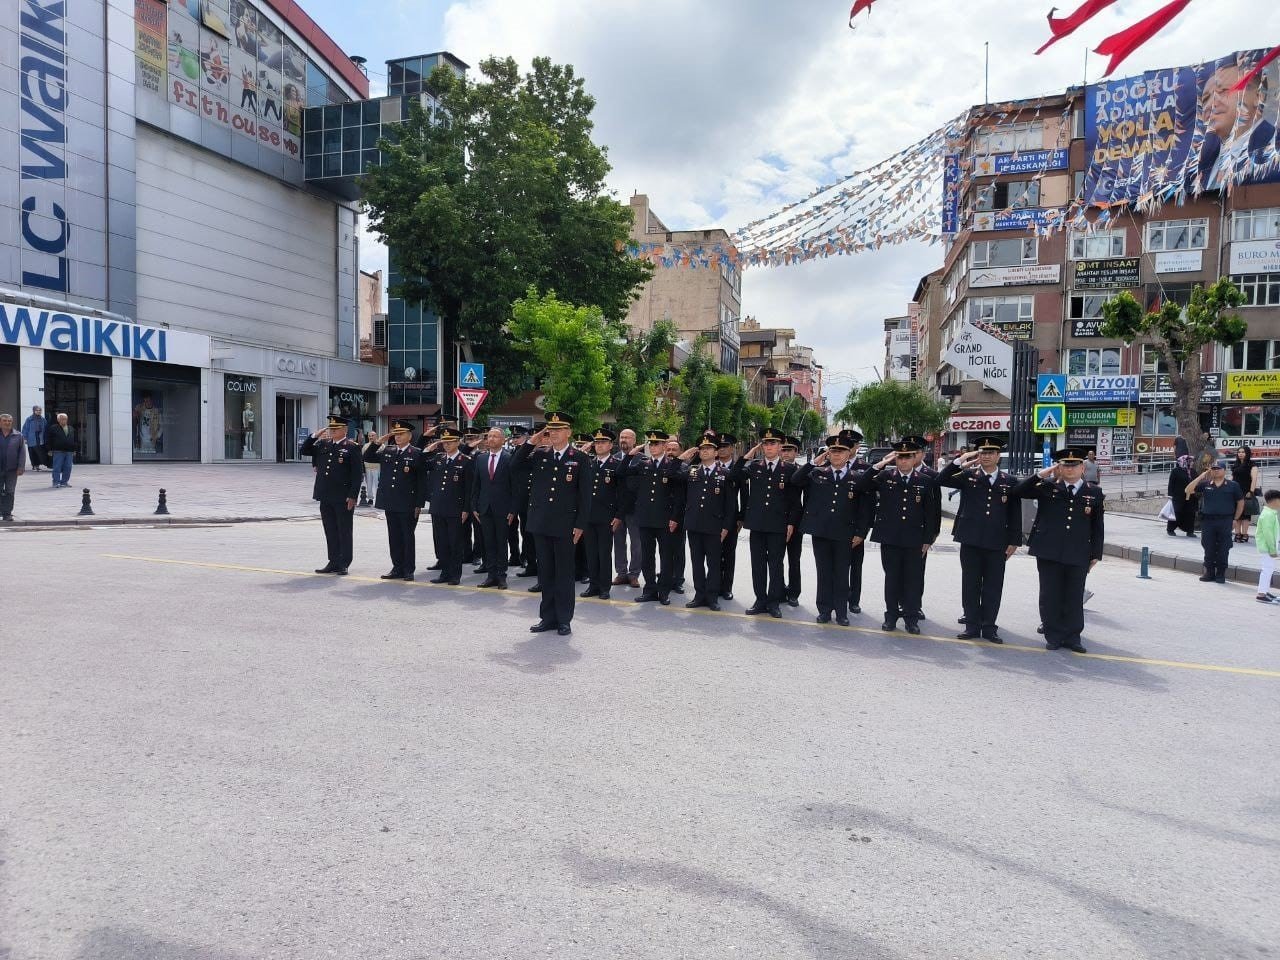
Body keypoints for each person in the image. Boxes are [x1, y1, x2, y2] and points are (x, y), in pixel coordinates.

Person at [1014, 448, 1104, 653]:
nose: (1070, 469)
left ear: (1083, 467)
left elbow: (1098, 526)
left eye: (1074, 465)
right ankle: (1053, 635)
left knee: (1073, 595)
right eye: (1065, 465)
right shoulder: (1047, 487)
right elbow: (1018, 491)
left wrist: (1095, 554)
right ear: (1059, 468)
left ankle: (1073, 636)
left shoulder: (1094, 492)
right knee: (1050, 593)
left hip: (1079, 551)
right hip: (1049, 549)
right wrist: (1041, 474)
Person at [511, 413, 590, 636]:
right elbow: (515, 465)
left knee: (564, 574)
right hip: (540, 523)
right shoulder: (540, 455)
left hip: (565, 525)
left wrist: (580, 524)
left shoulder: (580, 458)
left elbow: (585, 497)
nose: (553, 433)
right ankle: (547, 617)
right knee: (545, 573)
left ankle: (564, 619)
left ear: (568, 432)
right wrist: (532, 441)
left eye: (558, 429)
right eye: (550, 430)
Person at [938, 438, 1023, 643]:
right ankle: (972, 626)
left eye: (990, 452)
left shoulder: (1008, 481)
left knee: (993, 586)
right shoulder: (968, 476)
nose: (985, 456)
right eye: (982, 452)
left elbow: (1014, 513)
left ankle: (989, 626)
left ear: (998, 456)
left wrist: (1014, 541)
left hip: (997, 541)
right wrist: (960, 460)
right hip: (971, 538)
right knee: (971, 583)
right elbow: (942, 479)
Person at [856, 438, 941, 635]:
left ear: (915, 458)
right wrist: (880, 464)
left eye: (907, 457)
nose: (902, 461)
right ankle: (891, 617)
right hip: (890, 538)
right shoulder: (885, 476)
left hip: (914, 539)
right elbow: (861, 485)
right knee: (892, 579)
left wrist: (928, 539)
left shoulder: (925, 481)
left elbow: (930, 513)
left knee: (912, 579)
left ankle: (911, 619)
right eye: (899, 457)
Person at [791, 430, 872, 625]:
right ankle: (825, 610)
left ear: (848, 454)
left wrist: (861, 533)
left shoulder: (857, 477)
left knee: (842, 574)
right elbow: (796, 480)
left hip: (845, 533)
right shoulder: (818, 473)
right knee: (824, 572)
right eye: (833, 451)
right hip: (822, 532)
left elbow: (865, 509)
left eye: (841, 451)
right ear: (828, 453)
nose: (836, 454)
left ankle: (841, 612)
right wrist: (814, 461)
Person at [731, 427, 801, 619]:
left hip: (778, 525)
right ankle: (760, 600)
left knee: (776, 565)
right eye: (766, 444)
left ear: (780, 446)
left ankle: (773, 601)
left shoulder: (789, 469)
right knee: (758, 564)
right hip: (758, 524)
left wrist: (791, 523)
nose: (769, 447)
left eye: (773, 443)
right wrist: (749, 453)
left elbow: (795, 501)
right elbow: (734, 475)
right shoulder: (754, 467)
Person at [674, 432, 735, 611]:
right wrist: (682, 458)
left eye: (709, 448)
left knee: (714, 563)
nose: (705, 451)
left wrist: (725, 527)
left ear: (716, 452)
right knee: (697, 561)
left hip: (714, 526)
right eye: (702, 449)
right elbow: (672, 473)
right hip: (694, 524)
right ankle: (699, 595)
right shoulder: (691, 471)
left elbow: (730, 505)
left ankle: (712, 596)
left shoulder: (725, 473)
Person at [623, 430, 685, 606]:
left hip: (665, 520)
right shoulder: (643, 464)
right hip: (645, 518)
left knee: (666, 557)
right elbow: (622, 473)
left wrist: (675, 517)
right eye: (651, 444)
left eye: (657, 444)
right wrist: (630, 455)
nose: (653, 447)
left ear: (665, 446)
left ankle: (663, 591)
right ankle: (649, 589)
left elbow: (679, 495)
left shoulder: (672, 465)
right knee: (647, 557)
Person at [299, 415, 363, 574]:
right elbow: (304, 450)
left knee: (344, 530)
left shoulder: (352, 447)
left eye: (336, 428)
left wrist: (353, 495)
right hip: (325, 494)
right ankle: (333, 561)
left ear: (345, 430)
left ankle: (344, 562)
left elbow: (357, 474)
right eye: (331, 428)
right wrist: (314, 436)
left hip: (343, 496)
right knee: (330, 529)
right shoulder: (323, 444)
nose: (333, 431)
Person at [363, 420, 426, 581]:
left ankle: (408, 569)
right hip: (390, 501)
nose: (397, 437)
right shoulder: (388, 451)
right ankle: (397, 567)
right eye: (396, 434)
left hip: (408, 503)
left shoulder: (416, 453)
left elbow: (421, 481)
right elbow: (368, 456)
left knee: (407, 536)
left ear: (409, 436)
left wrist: (419, 504)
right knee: (394, 536)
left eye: (401, 434)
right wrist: (378, 442)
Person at [579, 427, 625, 601]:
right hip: (589, 516)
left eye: (603, 442)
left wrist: (619, 515)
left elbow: (622, 493)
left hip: (607, 517)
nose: (599, 446)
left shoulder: (616, 465)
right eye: (597, 442)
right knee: (590, 552)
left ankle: (604, 587)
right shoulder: (588, 463)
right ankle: (593, 585)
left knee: (604, 553)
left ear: (610, 445)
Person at [422, 426, 471, 585]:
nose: (446, 445)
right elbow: (421, 462)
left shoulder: (465, 461)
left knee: (455, 542)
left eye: (450, 442)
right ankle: (444, 572)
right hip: (438, 507)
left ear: (458, 442)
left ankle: (455, 574)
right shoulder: (438, 458)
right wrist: (431, 446)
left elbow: (469, 488)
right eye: (444, 442)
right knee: (441, 541)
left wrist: (466, 508)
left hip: (455, 509)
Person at [470, 427, 515, 590]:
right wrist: (474, 505)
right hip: (484, 508)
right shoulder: (481, 459)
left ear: (503, 440)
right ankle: (491, 575)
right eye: (489, 436)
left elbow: (514, 487)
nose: (491, 439)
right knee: (488, 543)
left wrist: (513, 509)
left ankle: (501, 576)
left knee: (501, 543)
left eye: (495, 436)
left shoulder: (509, 458)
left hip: (503, 509)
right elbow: (476, 484)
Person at [1187, 460, 1244, 584]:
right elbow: (1188, 489)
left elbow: (1240, 503)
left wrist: (1235, 519)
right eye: (1213, 468)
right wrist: (1202, 476)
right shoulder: (1206, 484)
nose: (1215, 470)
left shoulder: (1233, 485)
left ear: (1225, 470)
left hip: (1225, 520)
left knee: (1224, 547)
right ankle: (1209, 572)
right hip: (1208, 520)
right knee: (1208, 546)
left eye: (1218, 468)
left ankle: (1220, 573)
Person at [612, 427, 644, 589]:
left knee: (636, 543)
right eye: (621, 437)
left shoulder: (643, 459)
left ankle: (634, 574)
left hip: (635, 509)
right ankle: (621, 572)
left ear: (634, 440)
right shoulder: (614, 459)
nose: (623, 440)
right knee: (618, 541)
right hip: (618, 509)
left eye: (627, 437)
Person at [715, 434, 745, 601]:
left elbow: (744, 495)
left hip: (731, 517)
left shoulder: (738, 468)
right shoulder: (711, 465)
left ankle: (726, 587)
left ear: (732, 448)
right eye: (719, 446)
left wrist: (741, 517)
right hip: (712, 516)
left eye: (725, 446)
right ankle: (713, 583)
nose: (722, 448)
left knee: (728, 553)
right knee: (713, 552)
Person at [780, 436, 806, 607]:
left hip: (796, 521)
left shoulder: (801, 470)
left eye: (789, 450)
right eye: (783, 449)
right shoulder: (775, 468)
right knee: (776, 559)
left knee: (794, 559)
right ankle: (779, 589)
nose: (785, 453)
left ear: (796, 452)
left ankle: (794, 592)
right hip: (777, 520)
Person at [665, 437, 688, 594]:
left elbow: (681, 494)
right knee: (665, 549)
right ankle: (666, 576)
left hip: (678, 513)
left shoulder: (685, 467)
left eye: (674, 450)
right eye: (669, 449)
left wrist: (676, 517)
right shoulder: (661, 466)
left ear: (680, 452)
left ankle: (678, 579)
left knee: (678, 550)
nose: (671, 452)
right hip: (661, 514)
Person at [1231, 445, 1261, 543]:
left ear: (1247, 453)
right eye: (1239, 452)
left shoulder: (1252, 464)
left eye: (1243, 452)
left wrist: (1251, 492)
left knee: (1245, 514)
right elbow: (1232, 478)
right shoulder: (1235, 464)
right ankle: (1237, 533)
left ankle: (1245, 534)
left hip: (1246, 491)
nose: (1240, 454)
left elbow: (1254, 479)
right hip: (1235, 491)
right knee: (1237, 514)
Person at [1255, 490, 1280, 604]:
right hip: (1267, 548)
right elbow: (1268, 534)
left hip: (1267, 547)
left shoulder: (1270, 513)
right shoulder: (1268, 515)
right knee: (1267, 570)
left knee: (1268, 569)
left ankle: (1264, 591)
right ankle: (1261, 594)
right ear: (1275, 500)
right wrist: (1272, 549)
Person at [0, 413, 26, 521]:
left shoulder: (18, 435)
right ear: (0, 422)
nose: (7, 423)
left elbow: (22, 453)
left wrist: (21, 467)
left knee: (10, 491)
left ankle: (7, 513)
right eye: (5, 421)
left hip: (12, 470)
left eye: (9, 421)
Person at [1167, 455, 1197, 538]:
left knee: (1190, 513)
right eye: (1189, 461)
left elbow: (1196, 482)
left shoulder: (1193, 471)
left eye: (1191, 461)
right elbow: (1171, 484)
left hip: (1191, 497)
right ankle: (1170, 529)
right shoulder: (1175, 471)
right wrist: (1170, 495)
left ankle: (1190, 531)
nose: (1191, 463)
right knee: (1176, 512)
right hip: (1178, 496)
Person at [46, 412, 76, 488]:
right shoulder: (53, 428)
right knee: (57, 467)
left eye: (65, 419)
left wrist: (74, 449)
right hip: (58, 451)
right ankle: (56, 482)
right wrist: (49, 449)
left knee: (68, 467)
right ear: (58, 420)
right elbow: (48, 439)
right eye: (62, 419)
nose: (64, 421)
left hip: (69, 451)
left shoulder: (71, 428)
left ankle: (64, 482)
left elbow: (74, 440)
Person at [21, 406, 46, 471]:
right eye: (37, 410)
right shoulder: (29, 419)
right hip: (31, 437)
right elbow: (25, 429)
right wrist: (25, 438)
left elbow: (46, 429)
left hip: (40, 437)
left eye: (40, 410)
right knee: (32, 452)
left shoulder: (43, 419)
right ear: (34, 411)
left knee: (39, 452)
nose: (39, 411)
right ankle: (34, 465)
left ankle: (37, 465)